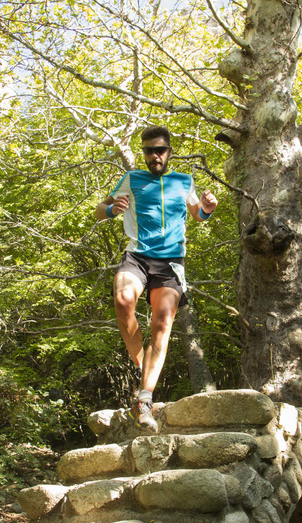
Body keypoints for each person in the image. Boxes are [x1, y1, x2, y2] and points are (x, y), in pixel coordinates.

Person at [95, 125, 217, 432]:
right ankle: (143, 364)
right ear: (144, 153)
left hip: (170, 262)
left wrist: (207, 209)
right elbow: (99, 210)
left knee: (162, 325)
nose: (155, 156)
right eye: (149, 151)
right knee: (123, 301)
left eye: (160, 150)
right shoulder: (132, 179)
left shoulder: (184, 181)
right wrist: (111, 210)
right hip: (137, 255)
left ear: (169, 151)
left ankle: (144, 400)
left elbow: (197, 215)